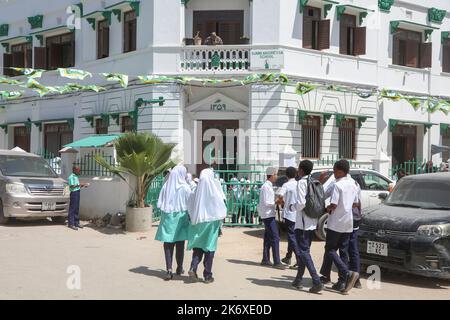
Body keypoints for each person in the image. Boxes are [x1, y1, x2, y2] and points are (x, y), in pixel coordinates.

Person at [318, 160, 360, 294]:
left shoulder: (338, 185)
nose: (334, 173)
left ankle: (346, 273)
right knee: (343, 251)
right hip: (348, 222)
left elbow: (334, 205)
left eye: (334, 170)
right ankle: (342, 282)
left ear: (340, 171)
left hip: (336, 223)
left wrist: (327, 209)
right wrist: (345, 207)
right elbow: (355, 204)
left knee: (330, 249)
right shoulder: (353, 184)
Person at [288, 160, 323, 293]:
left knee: (304, 252)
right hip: (312, 222)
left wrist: (292, 207)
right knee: (304, 251)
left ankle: (316, 281)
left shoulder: (301, 183)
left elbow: (301, 203)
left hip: (302, 223)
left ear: (301, 170)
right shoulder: (313, 181)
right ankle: (298, 279)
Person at [187, 168, 227, 283]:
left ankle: (193, 267)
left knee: (198, 247)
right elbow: (223, 207)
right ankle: (207, 275)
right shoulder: (215, 191)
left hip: (198, 222)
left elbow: (189, 205)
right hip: (212, 223)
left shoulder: (196, 191)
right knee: (209, 248)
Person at [155, 164, 192, 281]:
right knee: (180, 244)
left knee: (168, 243)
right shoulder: (185, 187)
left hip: (168, 217)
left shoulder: (166, 186)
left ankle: (169, 269)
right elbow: (190, 204)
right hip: (181, 217)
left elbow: (160, 202)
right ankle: (179, 267)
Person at [258, 167, 284, 269]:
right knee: (275, 237)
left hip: (268, 214)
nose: (277, 177)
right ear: (272, 175)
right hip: (268, 215)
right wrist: (277, 202)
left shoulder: (268, 186)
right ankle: (277, 261)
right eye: (276, 174)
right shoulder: (266, 187)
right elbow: (267, 202)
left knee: (268, 237)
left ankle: (265, 259)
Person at [278, 167, 300, 268]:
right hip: (298, 214)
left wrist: (281, 202)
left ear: (286, 175)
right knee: (293, 237)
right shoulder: (298, 184)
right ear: (296, 174)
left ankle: (299, 259)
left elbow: (280, 195)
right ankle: (288, 257)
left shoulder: (286, 185)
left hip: (289, 214)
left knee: (291, 237)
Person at [67, 166, 87, 231]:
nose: (79, 172)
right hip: (74, 193)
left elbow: (77, 186)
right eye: (78, 170)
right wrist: (80, 184)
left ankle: (76, 222)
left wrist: (82, 186)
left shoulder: (76, 177)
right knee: (72, 208)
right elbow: (72, 186)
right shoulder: (71, 177)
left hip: (77, 192)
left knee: (76, 208)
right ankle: (71, 223)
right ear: (75, 170)